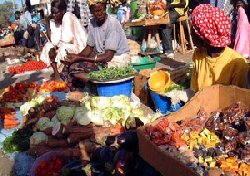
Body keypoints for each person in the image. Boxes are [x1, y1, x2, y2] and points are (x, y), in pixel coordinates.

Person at [65, 0, 130, 84]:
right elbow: (89, 47)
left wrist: (79, 58)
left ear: (105, 8)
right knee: (72, 66)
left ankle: (95, 84)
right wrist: (74, 57)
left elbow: (108, 57)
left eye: (102, 10)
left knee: (78, 70)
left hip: (118, 59)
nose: (100, 13)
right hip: (103, 58)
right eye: (96, 11)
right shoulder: (92, 23)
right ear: (91, 11)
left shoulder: (112, 24)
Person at [190, 4, 249, 92]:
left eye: (193, 30)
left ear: (203, 37)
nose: (190, 34)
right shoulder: (198, 54)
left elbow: (237, 100)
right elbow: (195, 90)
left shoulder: (238, 64)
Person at [39, 0, 87, 80]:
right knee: (48, 46)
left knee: (63, 49)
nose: (54, 15)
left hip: (80, 48)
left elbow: (66, 39)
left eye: (56, 13)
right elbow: (52, 41)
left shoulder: (68, 16)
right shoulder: (55, 23)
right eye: (52, 13)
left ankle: (63, 73)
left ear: (63, 11)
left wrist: (55, 49)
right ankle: (57, 73)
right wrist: (47, 22)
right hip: (62, 46)